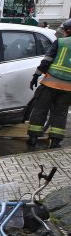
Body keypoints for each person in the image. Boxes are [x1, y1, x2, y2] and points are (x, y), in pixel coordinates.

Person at [27, 18, 71, 148]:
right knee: (60, 113)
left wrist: (36, 75)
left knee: (40, 109)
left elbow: (47, 60)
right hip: (68, 89)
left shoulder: (61, 42)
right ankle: (55, 141)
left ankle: (33, 138)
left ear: (68, 30)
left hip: (50, 83)